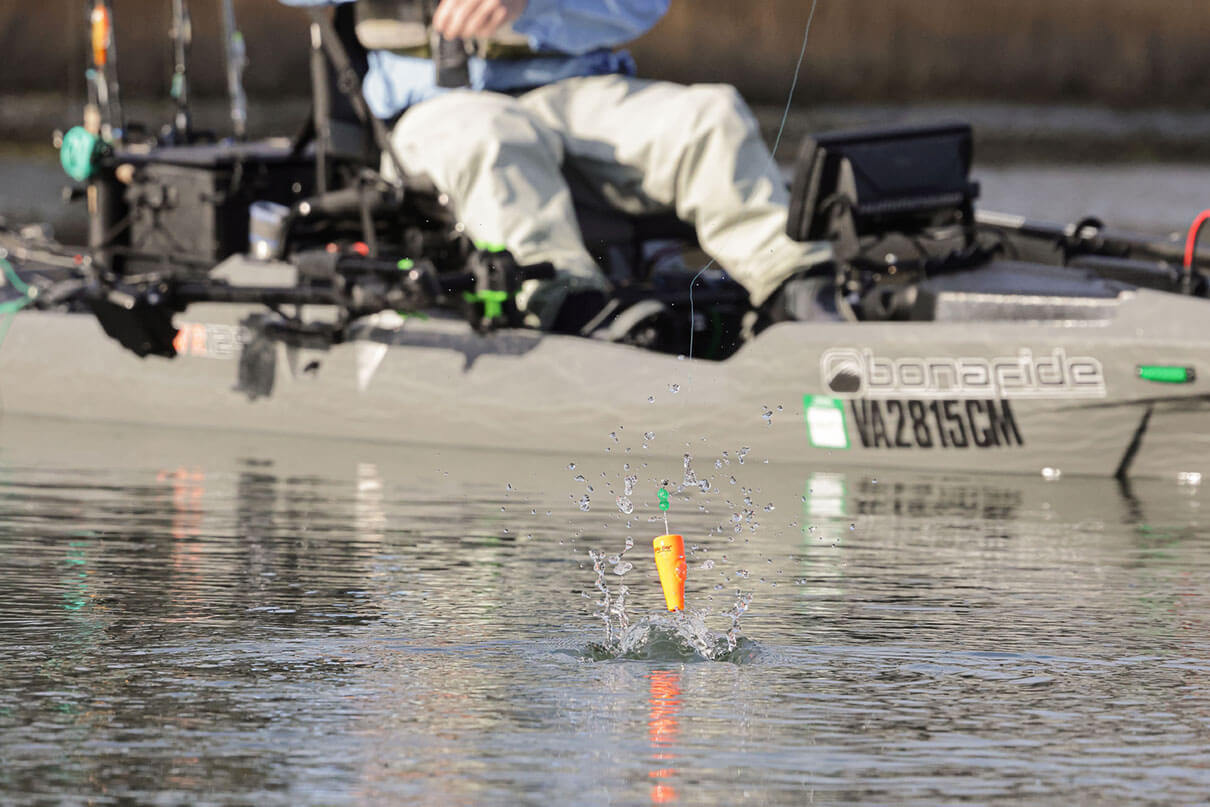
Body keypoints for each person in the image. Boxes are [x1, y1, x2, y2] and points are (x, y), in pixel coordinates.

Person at [281, 0, 833, 329]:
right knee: (495, 138)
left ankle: (798, 289)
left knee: (710, 117)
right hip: (436, 107)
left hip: (576, 90)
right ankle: (573, 307)